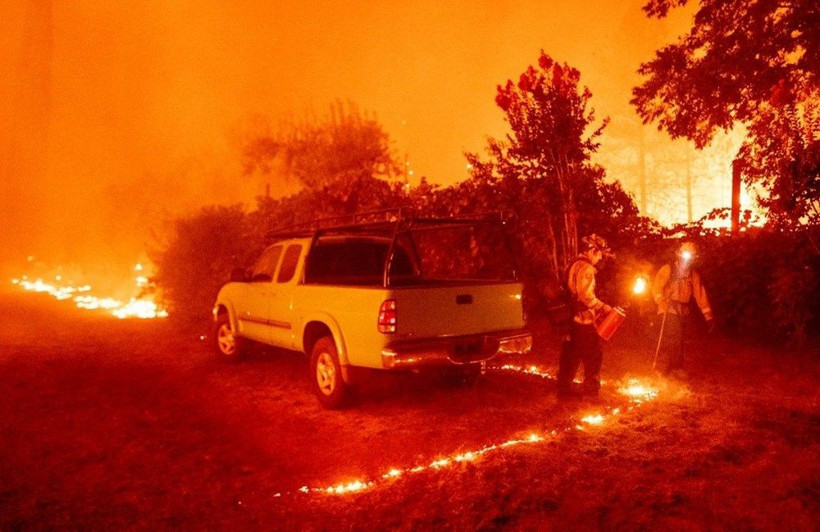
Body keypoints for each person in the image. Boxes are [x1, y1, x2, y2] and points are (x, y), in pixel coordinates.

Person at [557, 234, 614, 398]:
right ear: (593, 250)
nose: (599, 259)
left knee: (571, 354)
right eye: (599, 254)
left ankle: (564, 390)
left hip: (570, 318)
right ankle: (591, 391)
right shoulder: (587, 268)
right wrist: (603, 307)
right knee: (594, 354)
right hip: (583, 319)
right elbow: (586, 296)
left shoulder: (573, 263)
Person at [652, 241, 714, 376]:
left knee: (679, 338)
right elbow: (657, 287)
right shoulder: (668, 269)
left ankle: (675, 367)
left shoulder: (693, 275)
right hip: (667, 307)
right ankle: (672, 368)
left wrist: (708, 316)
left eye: (691, 258)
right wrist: (661, 300)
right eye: (685, 257)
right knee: (674, 336)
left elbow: (700, 295)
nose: (687, 261)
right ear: (679, 256)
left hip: (682, 310)